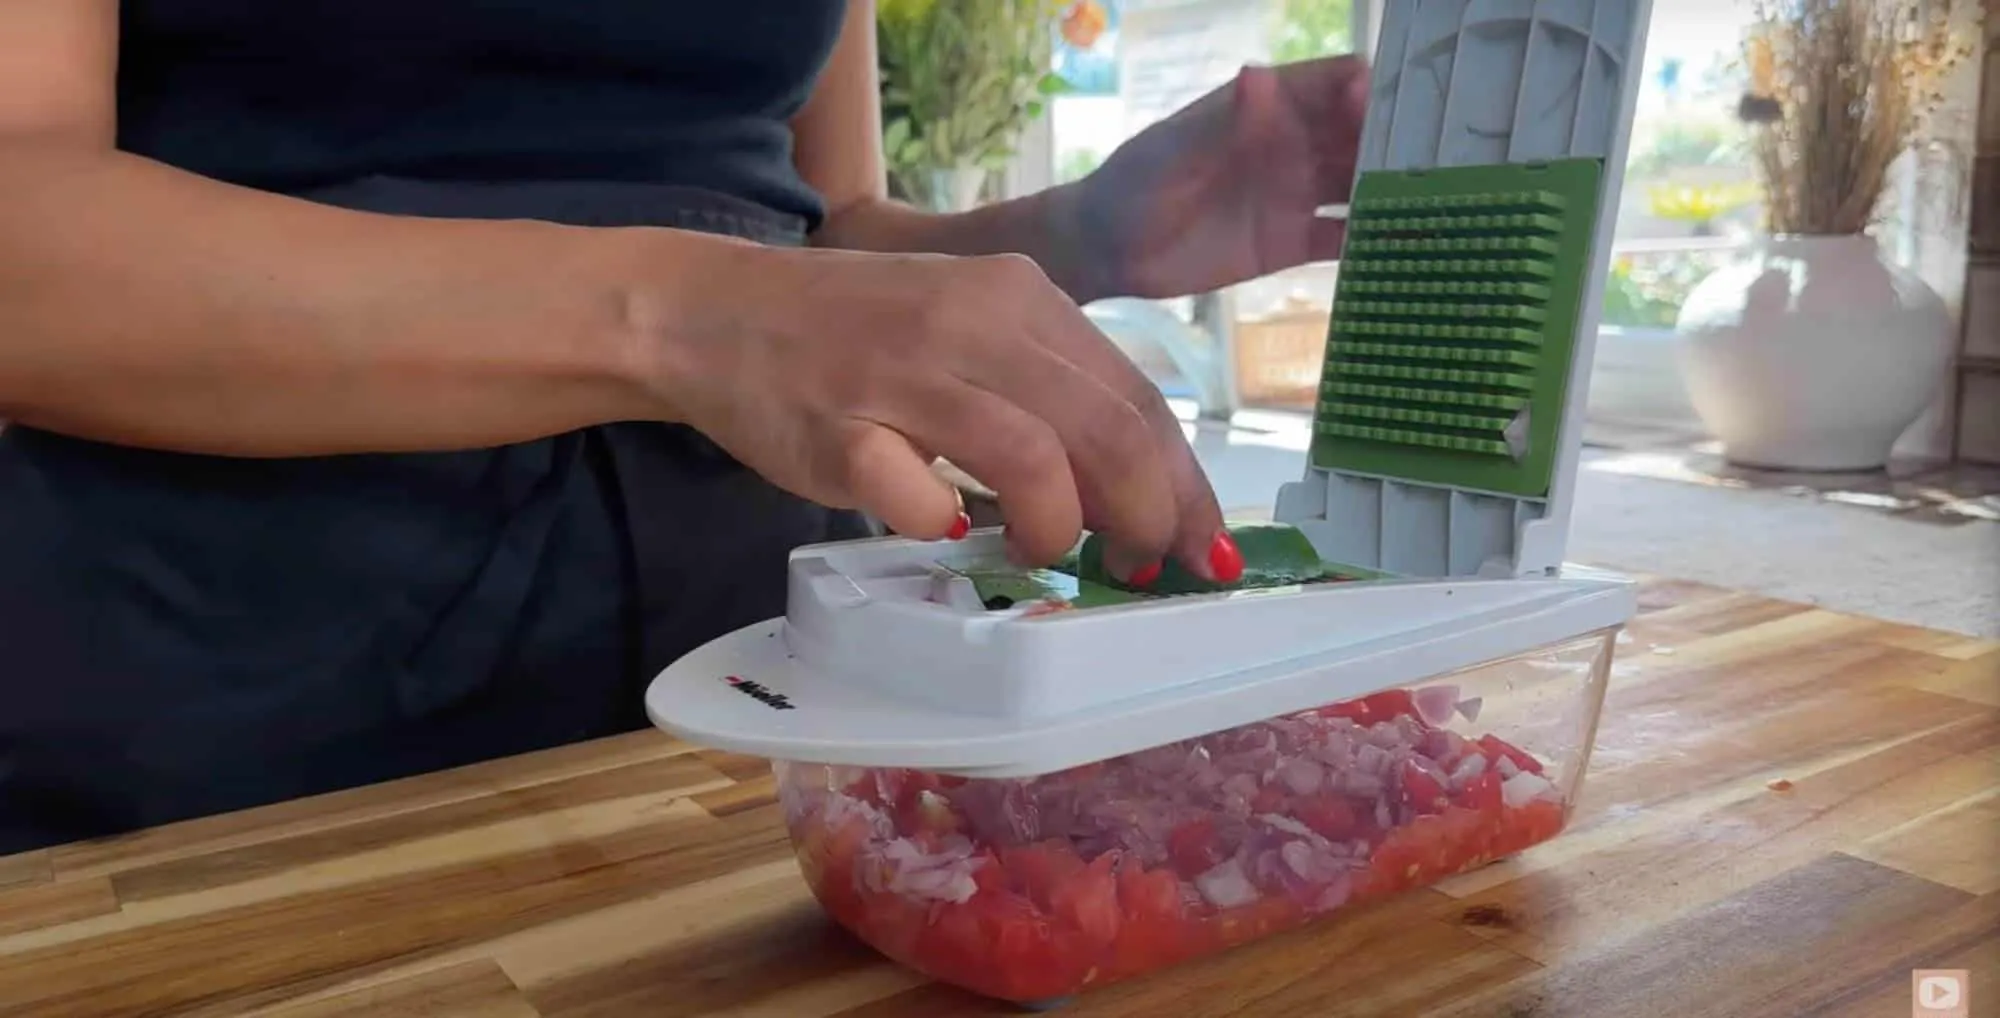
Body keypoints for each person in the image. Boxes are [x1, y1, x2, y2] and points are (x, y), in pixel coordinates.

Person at [0, 0, 1369, 853]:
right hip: (244, 687)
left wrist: (1083, 232)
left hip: (766, 683)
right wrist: (690, 314)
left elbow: (823, 225)